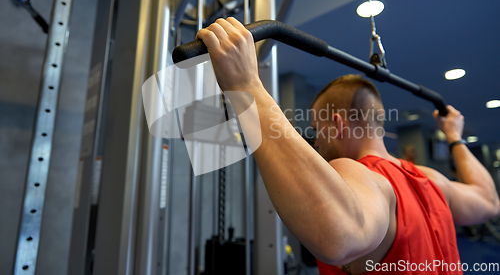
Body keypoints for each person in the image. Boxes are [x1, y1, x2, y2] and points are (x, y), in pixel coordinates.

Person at [196, 17, 500, 274]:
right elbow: (489, 201)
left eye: (318, 129)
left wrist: (245, 86)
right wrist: (455, 138)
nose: (316, 141)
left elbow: (338, 238)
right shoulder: (431, 181)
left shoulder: (355, 173)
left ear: (338, 124)